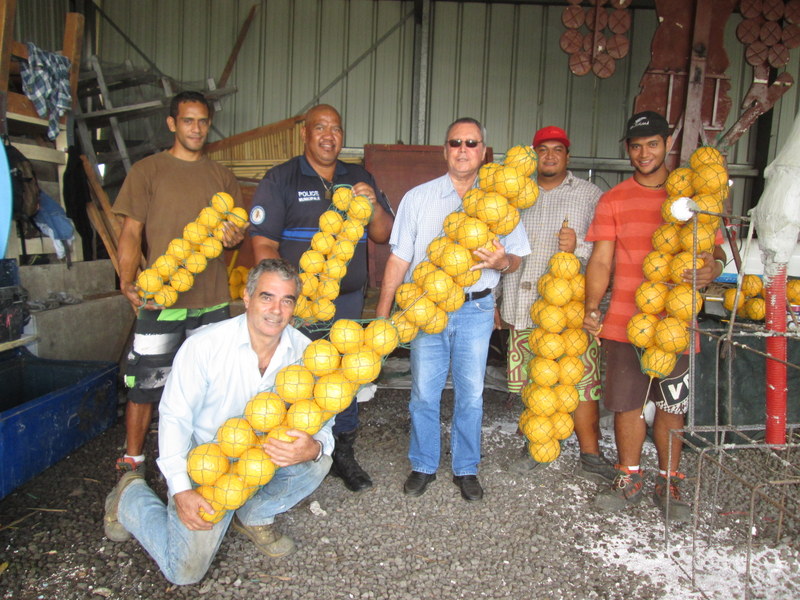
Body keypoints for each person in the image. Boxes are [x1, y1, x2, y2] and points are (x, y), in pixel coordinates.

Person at [103, 259, 332, 585]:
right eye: (267, 297)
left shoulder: (305, 352)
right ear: (247, 297)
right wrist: (181, 489)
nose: (276, 310)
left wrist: (315, 446)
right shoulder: (205, 346)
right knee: (184, 571)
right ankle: (129, 494)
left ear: (295, 306)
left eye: (287, 300)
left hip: (263, 452)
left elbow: (323, 416)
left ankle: (253, 514)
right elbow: (174, 417)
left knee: (318, 462)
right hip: (209, 458)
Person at [376, 117, 531, 501]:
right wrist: (381, 317)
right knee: (425, 393)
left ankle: (466, 468)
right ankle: (423, 463)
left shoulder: (503, 200)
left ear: (483, 152)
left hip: (475, 311)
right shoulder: (418, 198)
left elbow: (517, 259)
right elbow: (398, 260)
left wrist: (501, 263)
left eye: (472, 143)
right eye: (455, 142)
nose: (463, 149)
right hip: (427, 309)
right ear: (445, 150)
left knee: (471, 395)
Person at [582, 111, 726, 521]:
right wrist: (593, 308)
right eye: (636, 146)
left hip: (677, 321)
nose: (644, 153)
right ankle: (629, 474)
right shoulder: (614, 199)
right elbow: (600, 261)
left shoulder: (692, 197)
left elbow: (716, 254)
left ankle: (669, 478)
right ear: (627, 149)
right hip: (627, 320)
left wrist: (711, 271)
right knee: (627, 404)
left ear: (667, 144)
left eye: (653, 144)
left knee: (671, 406)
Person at [248, 104, 394, 492]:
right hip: (294, 306)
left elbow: (382, 234)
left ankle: (341, 452)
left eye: (336, 128)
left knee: (343, 377)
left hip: (345, 301)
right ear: (305, 133)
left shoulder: (359, 175)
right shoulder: (282, 178)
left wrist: (374, 204)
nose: (329, 136)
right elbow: (262, 243)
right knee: (289, 376)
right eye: (320, 128)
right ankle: (278, 455)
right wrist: (282, 299)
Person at [113, 91, 246, 474]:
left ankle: (207, 462)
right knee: (145, 384)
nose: (196, 129)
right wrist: (126, 280)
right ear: (172, 124)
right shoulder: (148, 170)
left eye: (203, 121)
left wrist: (234, 237)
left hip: (212, 300)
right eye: (188, 121)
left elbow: (237, 233)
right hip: (161, 298)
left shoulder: (221, 176)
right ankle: (133, 459)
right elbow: (130, 232)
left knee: (212, 387)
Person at [499, 126, 616, 483]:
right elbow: (499, 248)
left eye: (557, 150)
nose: (549, 156)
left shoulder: (590, 195)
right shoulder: (516, 195)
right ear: (534, 155)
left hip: (570, 313)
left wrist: (578, 245)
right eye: (542, 150)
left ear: (568, 155)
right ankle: (536, 444)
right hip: (522, 301)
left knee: (578, 385)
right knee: (535, 382)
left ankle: (590, 453)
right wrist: (495, 303)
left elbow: (606, 251)